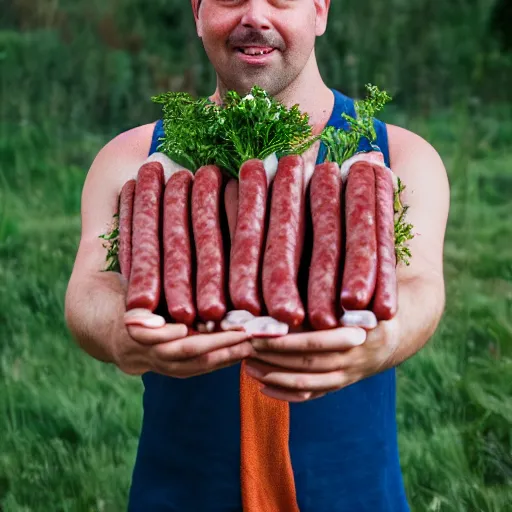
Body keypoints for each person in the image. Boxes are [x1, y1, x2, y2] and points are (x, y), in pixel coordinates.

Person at [64, 1, 450, 510]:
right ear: (198, 13)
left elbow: (421, 282)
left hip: (351, 491)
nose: (255, 16)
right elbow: (88, 286)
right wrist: (119, 331)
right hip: (182, 492)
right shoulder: (132, 159)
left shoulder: (399, 156)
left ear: (319, 11)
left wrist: (388, 337)